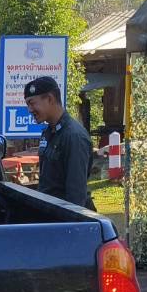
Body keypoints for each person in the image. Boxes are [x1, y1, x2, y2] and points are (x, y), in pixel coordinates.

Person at [24, 76, 93, 208]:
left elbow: (76, 195)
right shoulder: (48, 132)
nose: (30, 110)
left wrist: (67, 220)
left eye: (32, 103)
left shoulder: (74, 136)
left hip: (65, 215)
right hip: (51, 213)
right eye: (28, 105)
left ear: (50, 99)